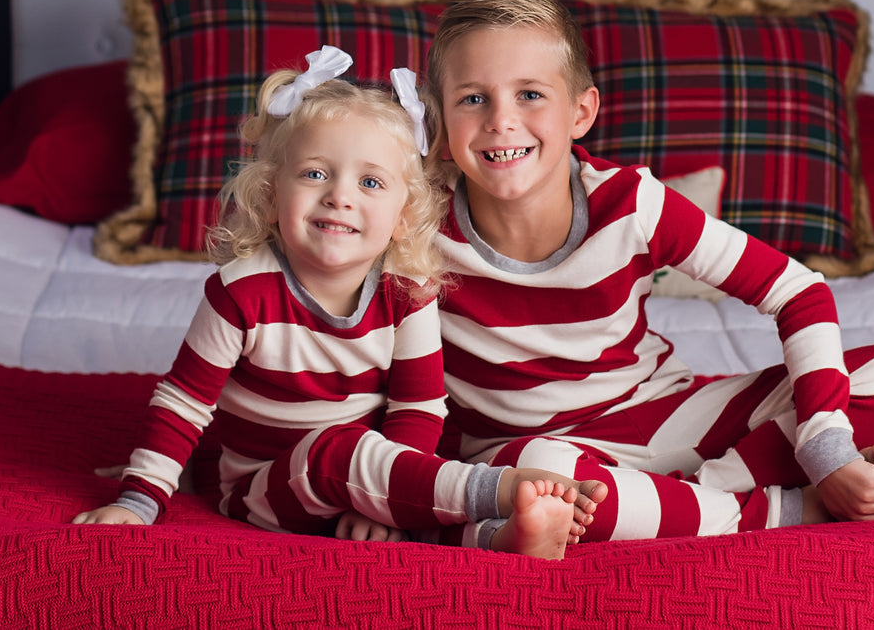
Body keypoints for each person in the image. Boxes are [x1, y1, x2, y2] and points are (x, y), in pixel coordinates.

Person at [422, 0, 874, 543]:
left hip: (665, 412)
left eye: (529, 94)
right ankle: (764, 510)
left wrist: (828, 451)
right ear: (440, 123)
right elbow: (366, 363)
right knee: (542, 482)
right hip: (546, 453)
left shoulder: (632, 204)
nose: (502, 120)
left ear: (580, 112)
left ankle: (685, 498)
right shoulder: (414, 225)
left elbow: (798, 291)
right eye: (473, 99)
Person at [72, 46, 605, 559]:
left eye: (370, 182)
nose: (340, 196)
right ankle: (502, 490)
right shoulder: (241, 291)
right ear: (271, 193)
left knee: (385, 521)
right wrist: (138, 501)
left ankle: (498, 538)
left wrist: (386, 506)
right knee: (339, 452)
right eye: (315, 173)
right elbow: (184, 404)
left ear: (403, 218)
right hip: (261, 488)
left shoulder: (407, 294)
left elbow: (416, 409)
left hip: (367, 479)